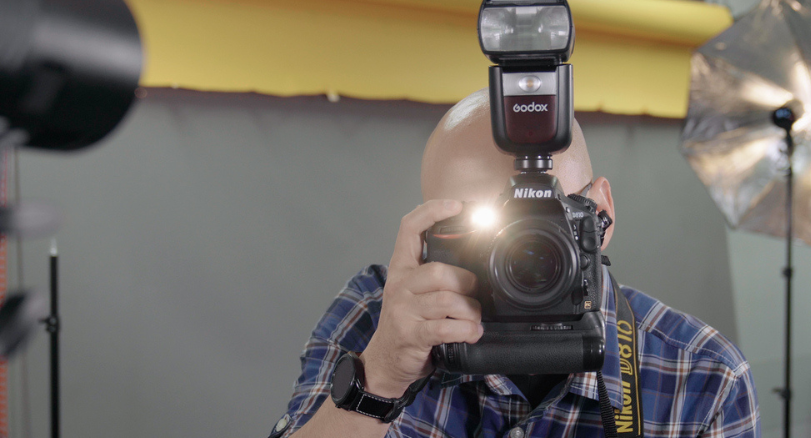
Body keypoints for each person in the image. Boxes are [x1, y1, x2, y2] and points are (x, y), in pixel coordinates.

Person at [268, 89, 760, 438]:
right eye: (484, 227)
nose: (519, 251)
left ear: (602, 214)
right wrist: (380, 377)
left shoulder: (703, 377)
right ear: (433, 230)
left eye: (546, 218)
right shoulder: (380, 318)